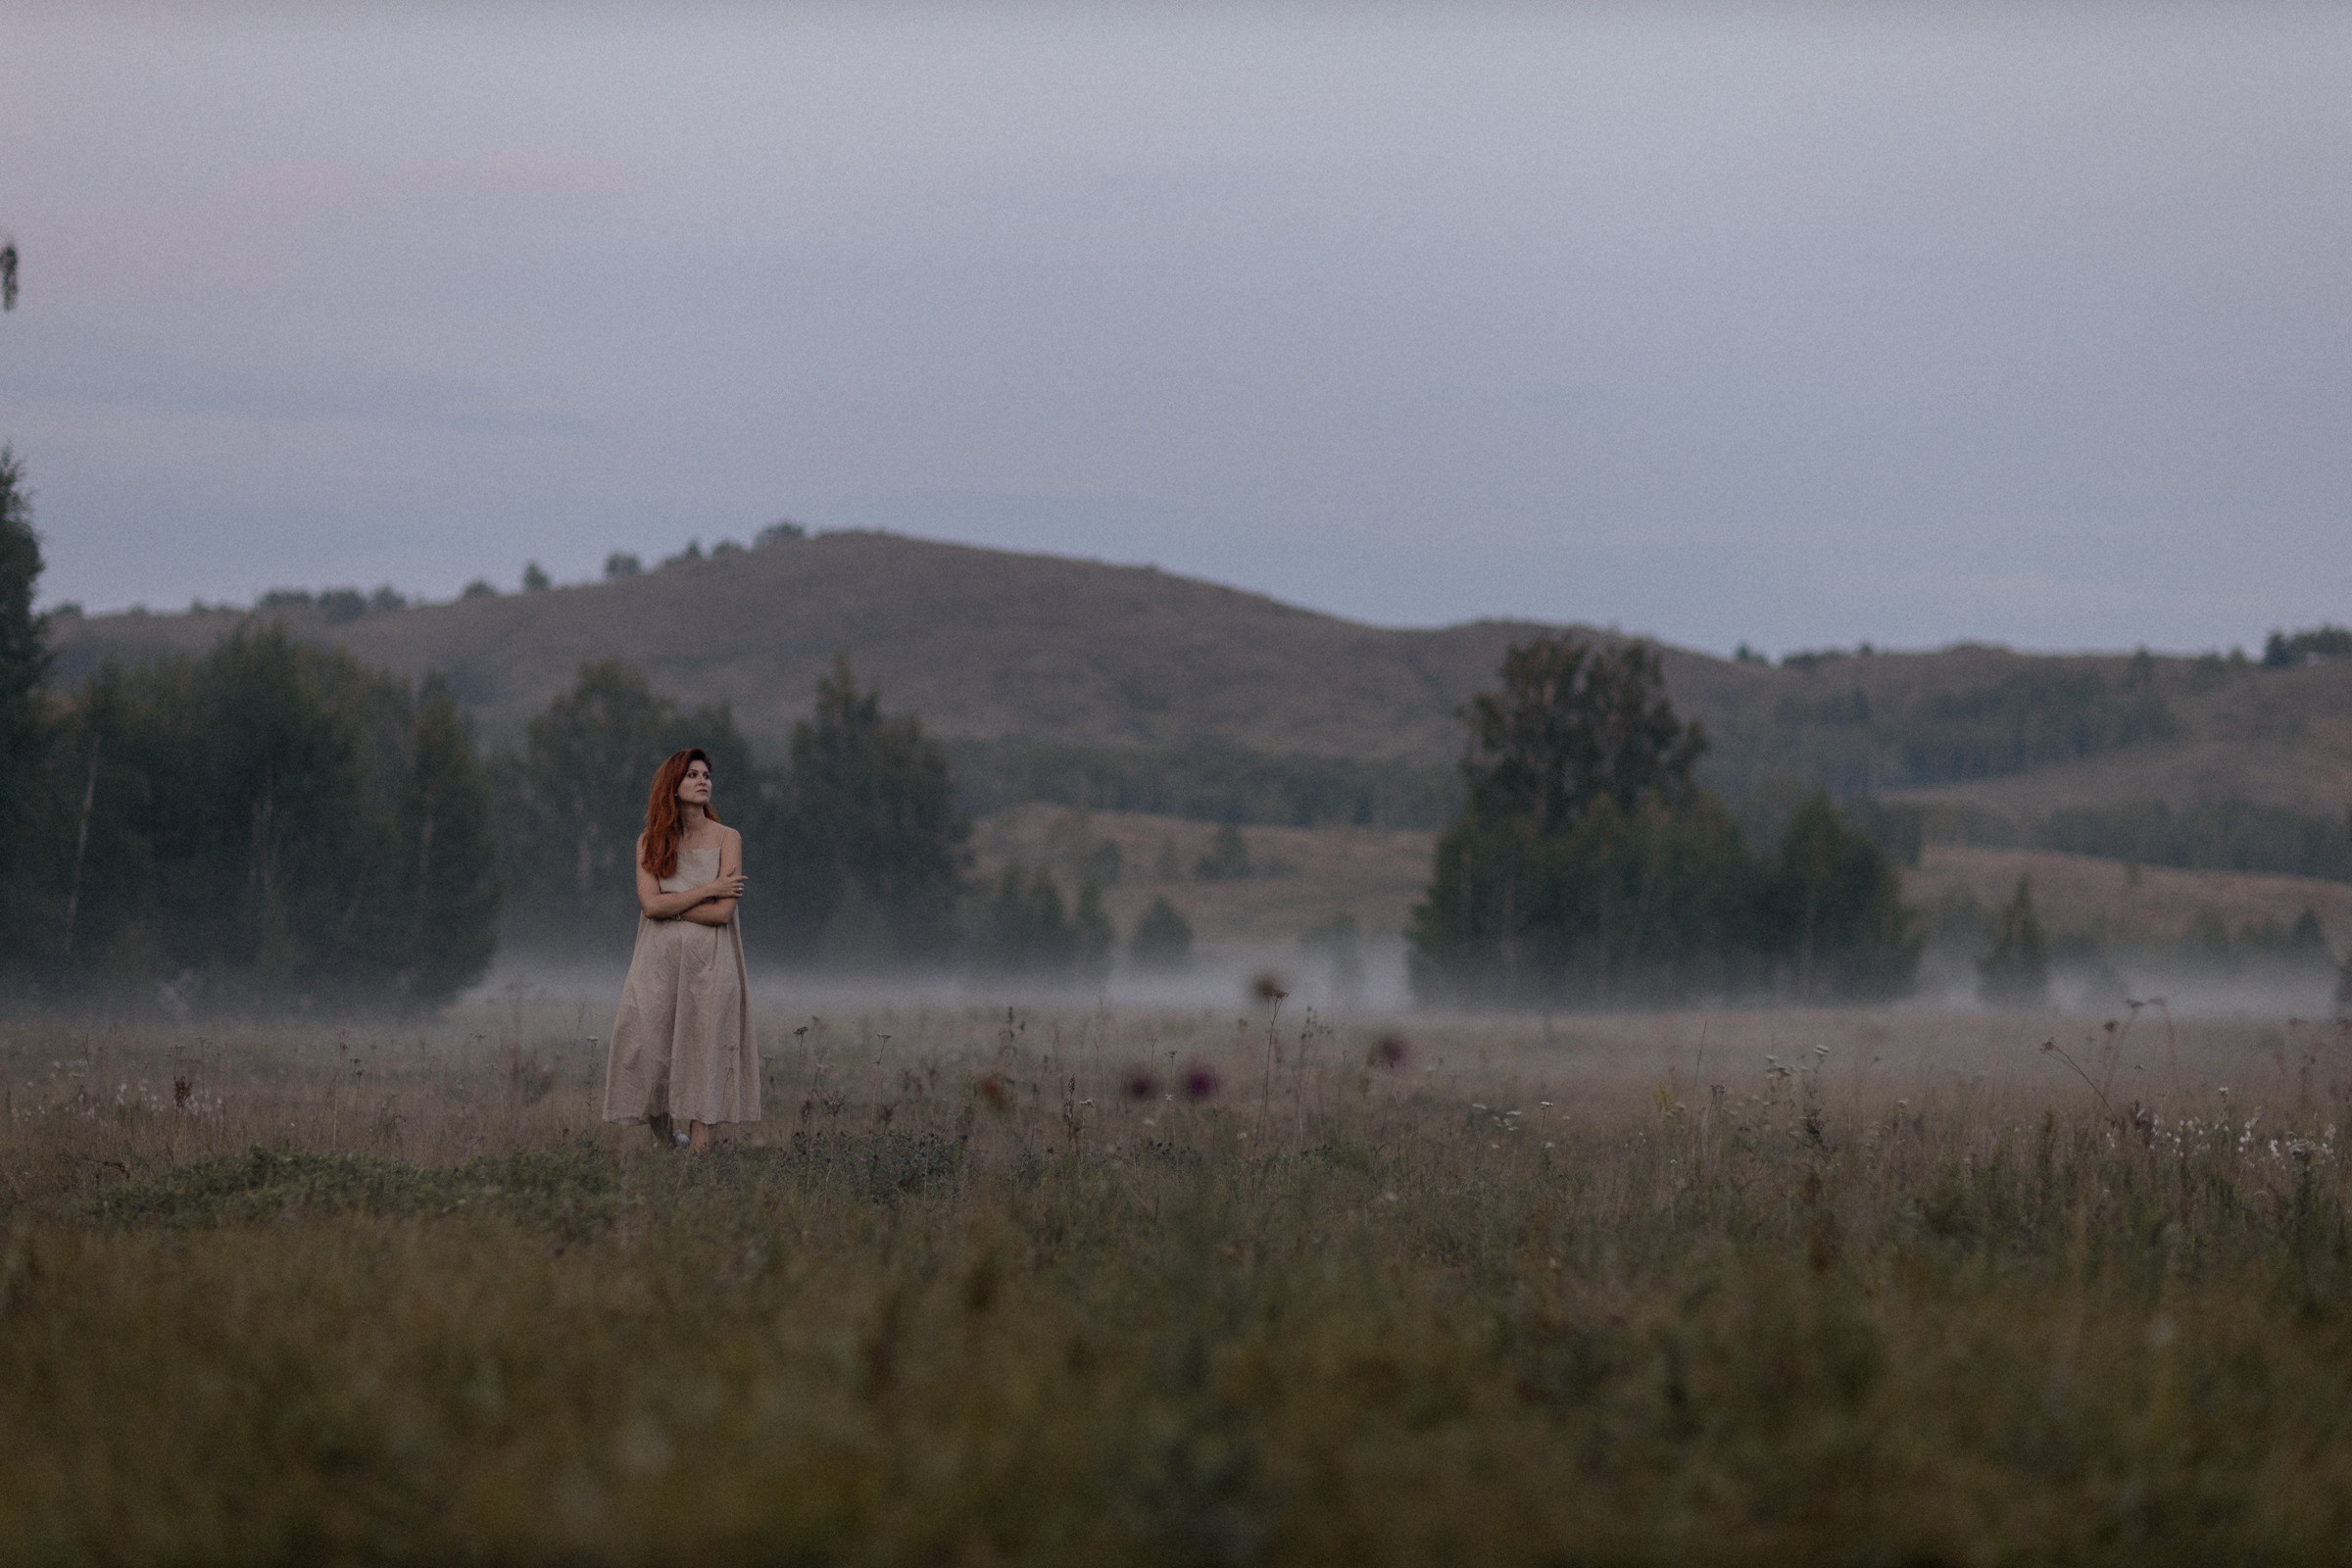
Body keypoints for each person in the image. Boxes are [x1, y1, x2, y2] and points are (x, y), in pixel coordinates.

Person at [602, 748, 760, 1151]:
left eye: (706, 774)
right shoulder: (649, 842)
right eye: (692, 775)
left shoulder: (728, 839)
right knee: (643, 1053)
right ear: (673, 786)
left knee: (703, 1058)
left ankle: (698, 1169)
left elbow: (723, 913)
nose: (703, 780)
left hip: (711, 965)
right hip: (656, 965)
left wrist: (672, 905)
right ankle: (670, 1143)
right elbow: (650, 906)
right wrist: (706, 890)